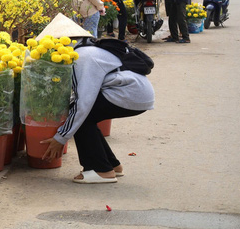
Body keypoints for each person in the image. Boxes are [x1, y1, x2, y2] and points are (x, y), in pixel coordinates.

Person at [38, 15, 155, 183]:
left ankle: (100, 170)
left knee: (81, 115)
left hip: (129, 94)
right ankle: (112, 165)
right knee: (86, 116)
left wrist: (60, 137)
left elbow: (83, 102)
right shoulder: (88, 49)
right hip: (134, 92)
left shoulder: (82, 56)